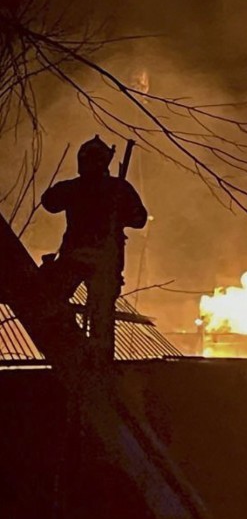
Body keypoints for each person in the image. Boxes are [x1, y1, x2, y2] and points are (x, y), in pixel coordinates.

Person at [40, 136, 147, 361]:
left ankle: (87, 353)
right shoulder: (117, 188)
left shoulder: (77, 188)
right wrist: (118, 213)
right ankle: (90, 353)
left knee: (56, 299)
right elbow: (139, 218)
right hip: (100, 259)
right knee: (99, 314)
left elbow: (49, 201)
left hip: (84, 258)